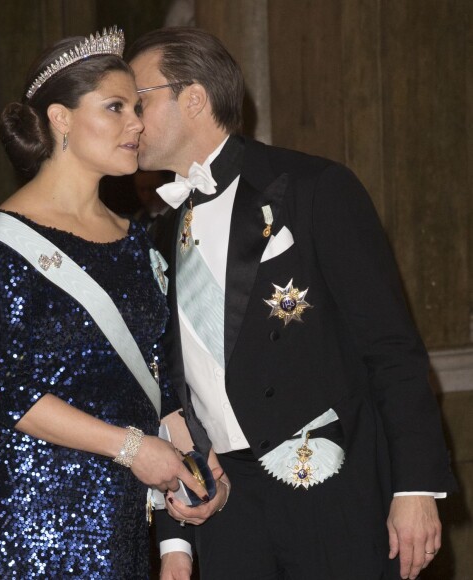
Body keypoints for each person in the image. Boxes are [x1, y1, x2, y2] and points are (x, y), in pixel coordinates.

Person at [126, 27, 457, 580]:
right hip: (226, 504)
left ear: (194, 97)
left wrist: (415, 485)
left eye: (139, 100)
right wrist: (177, 539)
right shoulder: (158, 236)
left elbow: (391, 349)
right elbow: (172, 390)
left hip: (330, 488)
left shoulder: (312, 187)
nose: (130, 121)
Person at [0, 27, 207, 579]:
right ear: (60, 118)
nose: (137, 123)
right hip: (25, 510)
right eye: (115, 108)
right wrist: (133, 449)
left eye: (136, 107)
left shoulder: (134, 238)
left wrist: (193, 464)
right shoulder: (2, 242)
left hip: (119, 510)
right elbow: (13, 395)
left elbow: (156, 375)